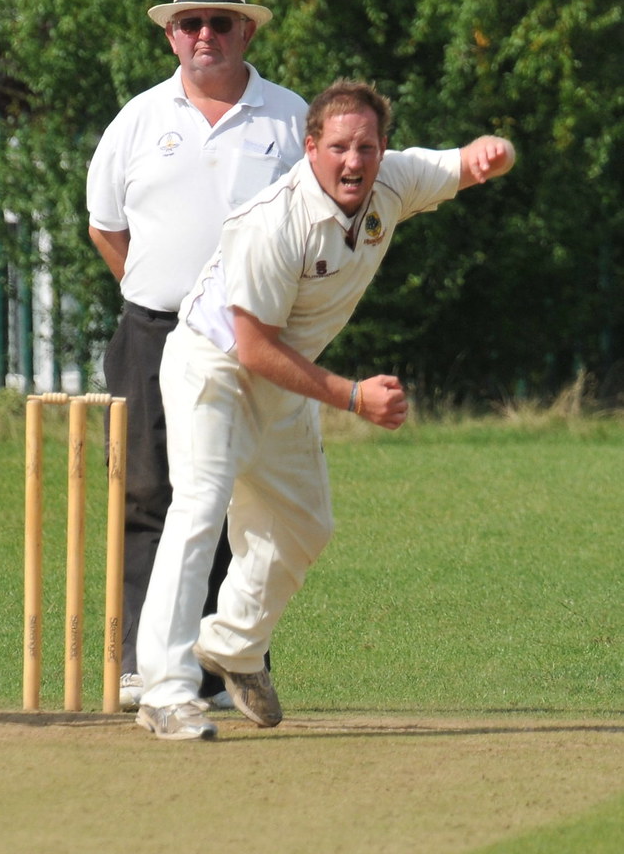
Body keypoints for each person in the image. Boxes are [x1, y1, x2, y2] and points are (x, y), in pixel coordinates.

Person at [135, 79, 516, 741]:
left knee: (305, 523)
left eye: (366, 147)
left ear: (382, 148)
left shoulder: (392, 181)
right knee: (199, 506)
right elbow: (252, 344)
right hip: (215, 366)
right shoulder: (271, 221)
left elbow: (464, 163)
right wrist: (350, 396)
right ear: (310, 149)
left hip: (282, 378)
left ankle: (232, 647)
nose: (353, 161)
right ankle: (165, 691)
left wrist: (494, 152)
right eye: (338, 146)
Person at [86, 0, 308, 710]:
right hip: (154, 329)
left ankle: (225, 665)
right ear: (172, 36)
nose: (205, 35)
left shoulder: (289, 119)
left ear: (247, 29)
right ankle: (145, 664)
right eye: (191, 23)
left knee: (240, 499)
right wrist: (165, 297)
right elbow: (104, 225)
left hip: (253, 335)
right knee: (151, 493)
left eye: (221, 22)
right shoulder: (140, 119)